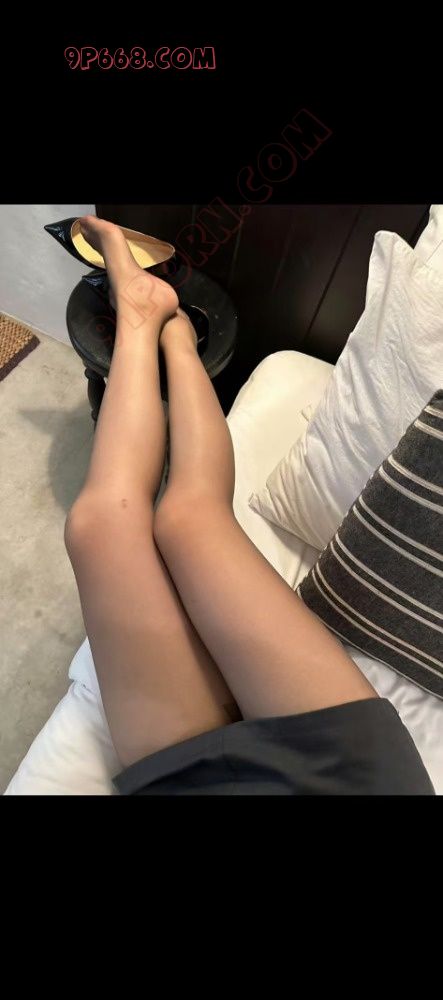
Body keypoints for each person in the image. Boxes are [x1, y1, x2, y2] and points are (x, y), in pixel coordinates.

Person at [64, 216, 434, 795]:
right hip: (347, 780)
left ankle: (150, 316)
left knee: (96, 528)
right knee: (188, 517)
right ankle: (168, 329)